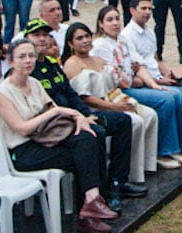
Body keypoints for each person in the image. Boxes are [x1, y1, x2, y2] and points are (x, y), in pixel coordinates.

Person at [0, 40, 120, 233]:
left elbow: (54, 109)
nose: (28, 61)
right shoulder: (1, 93)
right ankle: (89, 210)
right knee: (84, 156)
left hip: (44, 140)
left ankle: (92, 203)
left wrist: (77, 117)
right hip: (23, 151)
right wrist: (51, 115)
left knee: (87, 137)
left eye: (31, 56)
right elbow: (21, 129)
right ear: (10, 62)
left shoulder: (34, 83)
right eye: (22, 57)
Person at [24, 18, 142, 203]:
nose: (42, 39)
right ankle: (101, 193)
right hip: (55, 124)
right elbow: (43, 107)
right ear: (26, 39)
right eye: (36, 35)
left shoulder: (52, 64)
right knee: (97, 133)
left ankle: (118, 181)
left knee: (122, 121)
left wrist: (85, 114)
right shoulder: (28, 70)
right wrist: (78, 117)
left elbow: (72, 95)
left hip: (77, 115)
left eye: (46, 35)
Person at [63, 21, 160, 182]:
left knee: (150, 114)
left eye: (87, 36)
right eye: (79, 38)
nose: (85, 40)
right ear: (70, 44)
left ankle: (144, 166)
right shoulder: (72, 64)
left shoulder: (98, 59)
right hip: (94, 108)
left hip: (113, 99)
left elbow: (117, 82)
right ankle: (125, 174)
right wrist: (114, 107)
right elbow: (84, 97)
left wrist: (129, 72)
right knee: (134, 121)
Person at [97, 2, 182, 168]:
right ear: (101, 24)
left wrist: (154, 85)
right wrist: (137, 80)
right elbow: (116, 77)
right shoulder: (100, 46)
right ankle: (162, 151)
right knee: (165, 100)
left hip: (133, 84)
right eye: (109, 20)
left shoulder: (123, 40)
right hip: (117, 92)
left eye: (117, 18)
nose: (115, 23)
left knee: (171, 93)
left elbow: (138, 66)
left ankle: (176, 144)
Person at [114, 0, 182, 150]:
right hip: (147, 81)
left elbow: (155, 58)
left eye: (149, 9)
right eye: (143, 8)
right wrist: (158, 82)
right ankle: (178, 139)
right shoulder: (127, 35)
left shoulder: (149, 32)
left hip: (159, 77)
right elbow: (137, 68)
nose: (147, 12)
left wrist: (168, 73)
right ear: (132, 10)